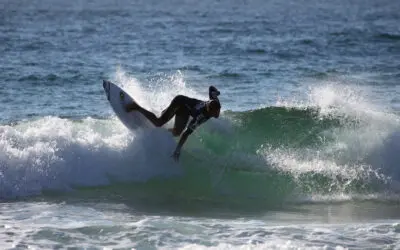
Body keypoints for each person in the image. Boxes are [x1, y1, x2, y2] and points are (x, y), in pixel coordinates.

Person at [125, 86, 221, 161]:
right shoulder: (200, 115)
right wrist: (177, 151)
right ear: (208, 111)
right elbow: (186, 133)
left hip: (185, 110)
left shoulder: (215, 101)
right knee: (159, 122)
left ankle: (160, 129)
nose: (217, 115)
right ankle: (136, 107)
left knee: (176, 132)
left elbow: (211, 88)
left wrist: (216, 92)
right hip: (179, 102)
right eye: (215, 113)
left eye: (218, 111)